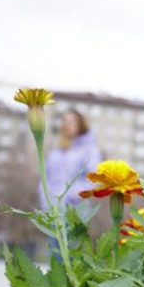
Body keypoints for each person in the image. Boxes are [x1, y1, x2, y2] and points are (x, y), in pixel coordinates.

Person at [40, 109, 103, 257]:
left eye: (72, 121)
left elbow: (96, 179)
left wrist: (72, 194)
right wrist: (45, 200)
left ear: (81, 124)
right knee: (55, 257)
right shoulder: (56, 150)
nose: (67, 124)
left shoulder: (89, 149)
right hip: (53, 211)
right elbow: (45, 177)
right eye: (64, 120)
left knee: (71, 257)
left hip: (74, 212)